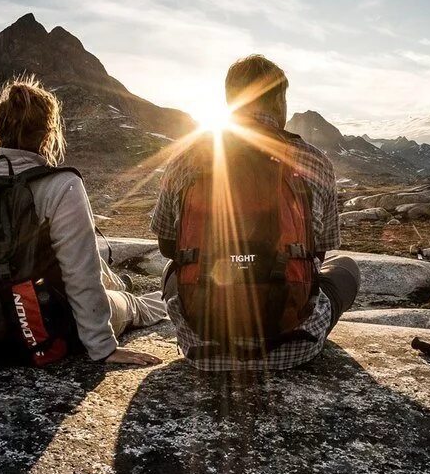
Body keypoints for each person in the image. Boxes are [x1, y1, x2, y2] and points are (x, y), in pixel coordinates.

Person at [0, 77, 166, 365]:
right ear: (47, 134)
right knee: (131, 305)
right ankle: (156, 300)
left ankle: (118, 283)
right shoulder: (61, 185)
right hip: (48, 331)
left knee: (99, 272)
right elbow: (80, 273)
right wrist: (103, 348)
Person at [150, 54, 359, 371]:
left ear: (229, 102)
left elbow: (168, 245)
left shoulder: (186, 157)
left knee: (171, 268)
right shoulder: (314, 161)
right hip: (293, 346)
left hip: (203, 349)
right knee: (345, 267)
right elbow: (318, 252)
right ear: (279, 103)